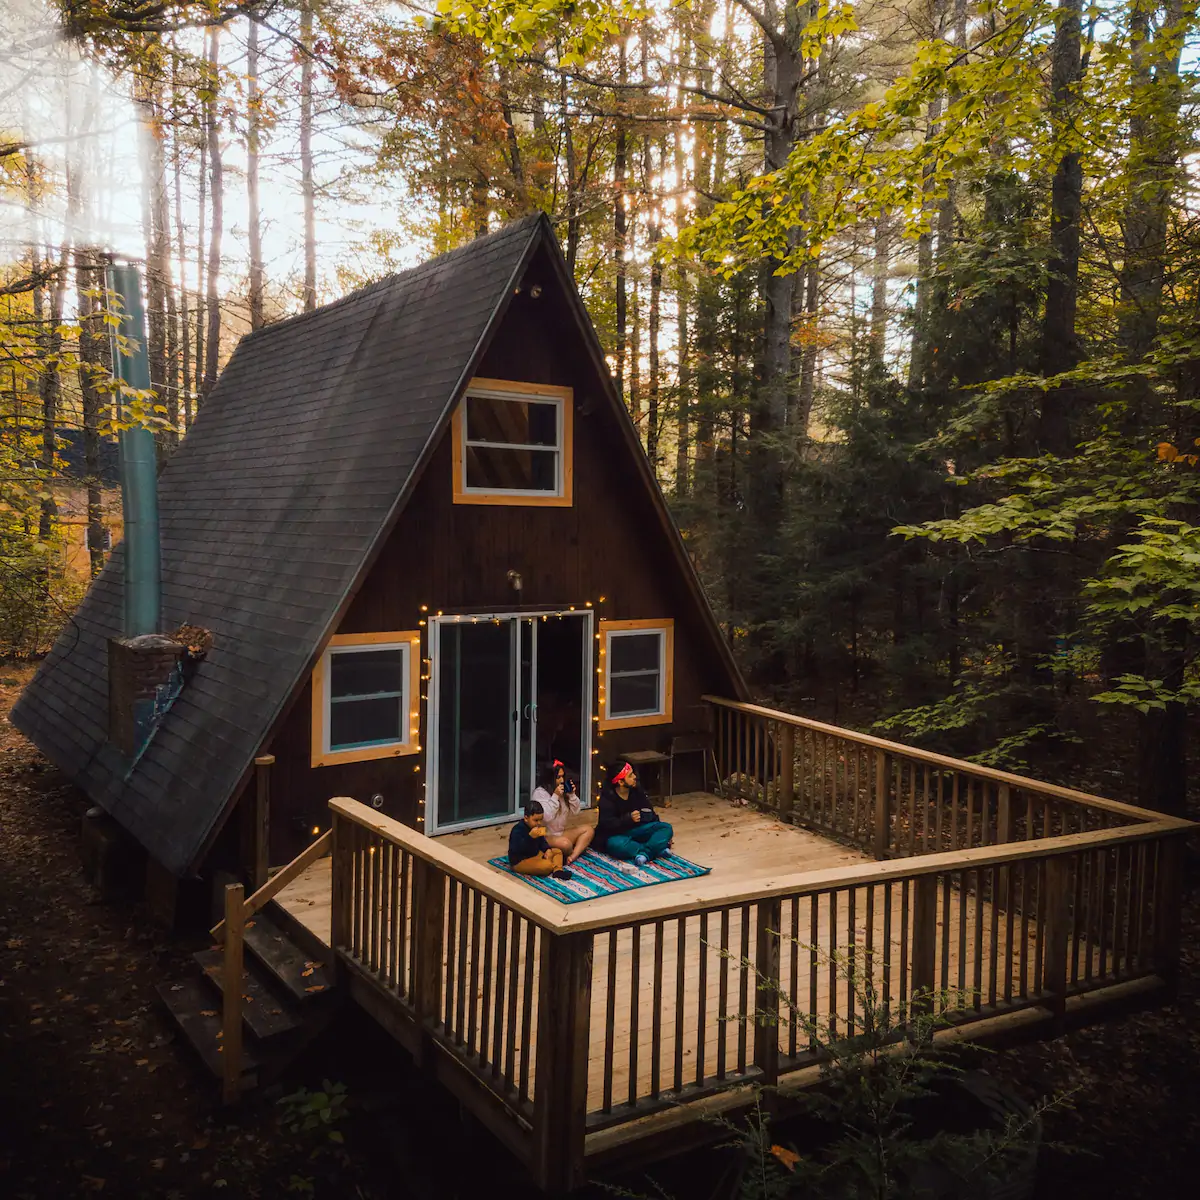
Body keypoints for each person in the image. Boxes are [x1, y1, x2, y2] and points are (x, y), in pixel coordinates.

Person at [594, 760, 674, 865]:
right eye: (630, 776)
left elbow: (650, 812)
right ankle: (655, 849)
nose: (635, 777)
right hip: (618, 835)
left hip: (638, 831)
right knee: (615, 845)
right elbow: (606, 824)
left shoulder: (637, 791)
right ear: (621, 782)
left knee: (666, 828)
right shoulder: (607, 799)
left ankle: (645, 853)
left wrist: (654, 824)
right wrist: (628, 819)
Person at [531, 760, 594, 865]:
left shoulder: (563, 792)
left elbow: (576, 811)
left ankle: (572, 856)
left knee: (589, 830)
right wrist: (555, 796)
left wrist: (572, 795)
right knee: (566, 844)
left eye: (563, 776)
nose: (562, 780)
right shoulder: (540, 793)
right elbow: (546, 817)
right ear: (549, 778)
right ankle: (560, 852)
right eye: (558, 777)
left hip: (560, 832)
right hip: (545, 834)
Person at [507, 800, 574, 879]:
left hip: (536, 854)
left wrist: (547, 850)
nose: (539, 823)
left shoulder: (537, 828)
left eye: (540, 820)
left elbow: (542, 841)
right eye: (536, 820)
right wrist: (530, 837)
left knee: (557, 851)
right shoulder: (517, 830)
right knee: (546, 866)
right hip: (521, 861)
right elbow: (517, 849)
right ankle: (552, 865)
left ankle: (557, 871)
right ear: (526, 818)